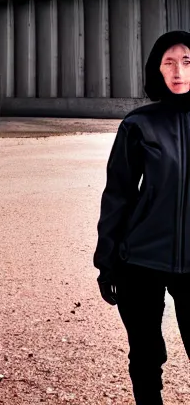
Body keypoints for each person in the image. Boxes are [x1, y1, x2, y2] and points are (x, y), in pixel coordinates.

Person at [94, 30, 190, 405]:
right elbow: (117, 193)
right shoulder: (138, 124)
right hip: (141, 260)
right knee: (146, 355)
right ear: (157, 70)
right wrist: (106, 262)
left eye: (187, 61)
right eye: (169, 62)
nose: (179, 71)